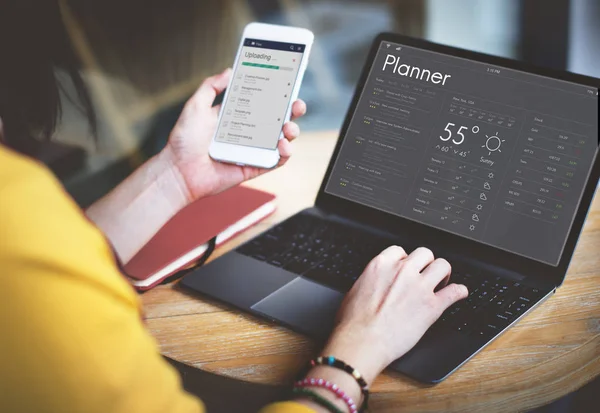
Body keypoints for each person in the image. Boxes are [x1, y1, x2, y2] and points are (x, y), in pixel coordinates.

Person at [0, 3, 468, 412]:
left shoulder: (21, 205)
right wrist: (359, 347)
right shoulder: (17, 214)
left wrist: (176, 176)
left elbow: (56, 255)